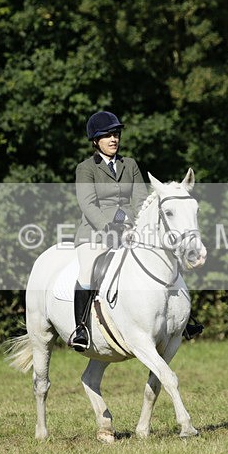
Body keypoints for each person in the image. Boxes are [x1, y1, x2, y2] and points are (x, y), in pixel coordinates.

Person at [69, 111, 148, 351]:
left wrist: (128, 222)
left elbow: (141, 199)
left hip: (129, 231)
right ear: (95, 141)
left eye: (116, 134)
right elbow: (88, 204)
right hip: (94, 233)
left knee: (159, 257)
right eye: (107, 135)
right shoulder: (85, 169)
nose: (113, 139)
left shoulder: (130, 164)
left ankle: (179, 320)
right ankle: (81, 329)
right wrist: (109, 227)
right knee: (87, 270)